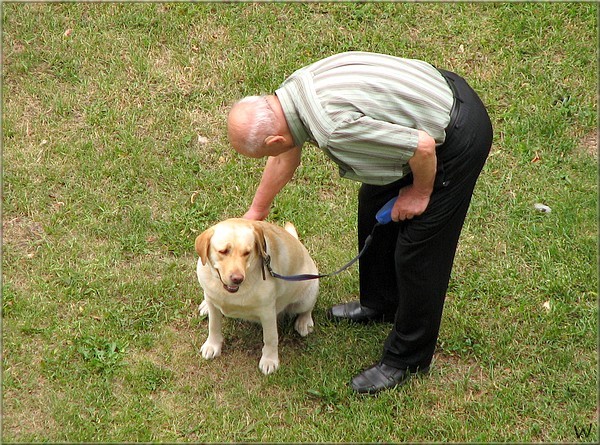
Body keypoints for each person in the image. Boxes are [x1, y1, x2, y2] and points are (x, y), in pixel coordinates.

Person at [227, 52, 493, 394]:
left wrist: (419, 192)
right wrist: (256, 211)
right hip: (424, 105)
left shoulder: (332, 128)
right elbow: (285, 150)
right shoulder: (290, 95)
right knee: (374, 202)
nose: (271, 156)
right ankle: (379, 303)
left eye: (264, 154)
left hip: (453, 136)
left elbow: (423, 148)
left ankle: (407, 358)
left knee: (418, 248)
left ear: (273, 139)